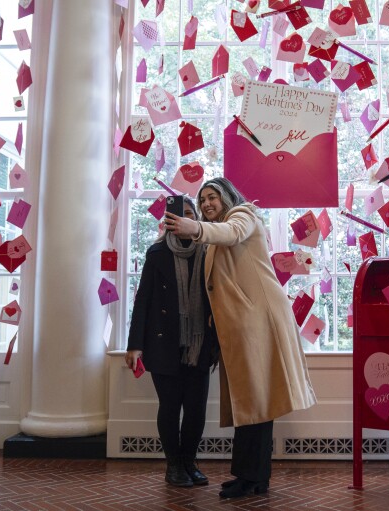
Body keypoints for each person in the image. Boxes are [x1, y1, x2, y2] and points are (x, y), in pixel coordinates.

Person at [166, 177, 317, 499]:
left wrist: (194, 228)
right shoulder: (212, 237)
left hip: (258, 321)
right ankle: (250, 476)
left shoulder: (245, 215)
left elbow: (231, 233)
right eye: (202, 199)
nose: (206, 204)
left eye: (212, 197)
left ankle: (253, 478)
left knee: (257, 401)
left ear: (227, 197)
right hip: (241, 326)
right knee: (251, 402)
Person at [125, 195, 218, 488]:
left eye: (190, 214)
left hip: (200, 344)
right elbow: (142, 300)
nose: (184, 219)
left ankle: (189, 462)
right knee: (169, 406)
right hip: (164, 342)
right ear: (168, 221)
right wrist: (134, 344)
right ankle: (173, 465)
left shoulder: (209, 252)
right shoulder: (156, 253)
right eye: (178, 215)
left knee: (196, 409)